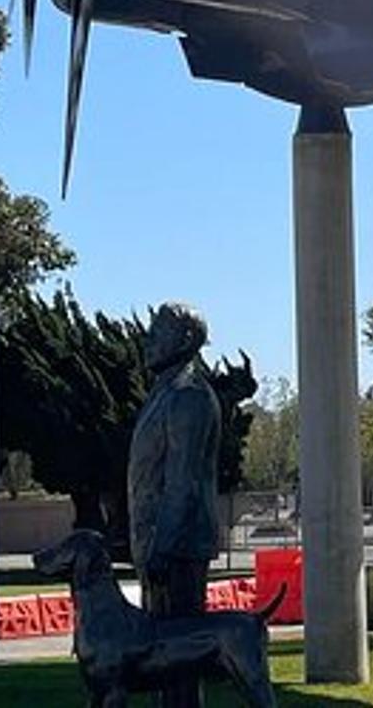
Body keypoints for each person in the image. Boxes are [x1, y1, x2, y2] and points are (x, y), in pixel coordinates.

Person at [128, 303, 221, 707]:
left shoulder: (189, 396)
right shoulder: (164, 392)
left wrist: (162, 547)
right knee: (162, 661)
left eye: (157, 331)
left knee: (179, 661)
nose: (148, 340)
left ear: (184, 340)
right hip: (157, 546)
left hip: (176, 549)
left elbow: (181, 481)